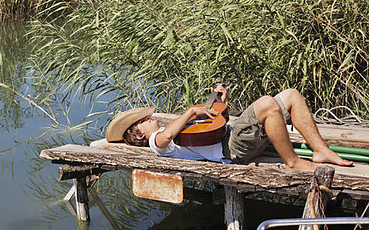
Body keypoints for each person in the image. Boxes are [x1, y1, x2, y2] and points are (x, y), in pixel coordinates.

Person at [105, 85, 353, 171]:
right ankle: (293, 161)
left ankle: (320, 150)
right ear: (139, 133)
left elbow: (212, 127)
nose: (150, 117)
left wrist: (220, 102)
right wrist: (192, 110)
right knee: (267, 103)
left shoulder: (175, 132)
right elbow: (167, 136)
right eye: (144, 120)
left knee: (291, 95)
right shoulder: (156, 142)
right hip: (231, 150)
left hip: (230, 137)